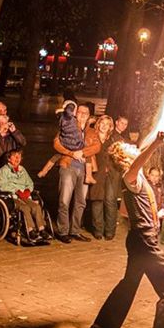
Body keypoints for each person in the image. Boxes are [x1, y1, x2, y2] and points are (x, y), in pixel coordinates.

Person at [89, 132, 164, 328]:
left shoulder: (133, 180)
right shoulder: (130, 175)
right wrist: (156, 144)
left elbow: (125, 211)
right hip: (145, 242)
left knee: (129, 284)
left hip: (137, 239)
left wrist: (154, 215)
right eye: (131, 150)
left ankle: (102, 327)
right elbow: (140, 161)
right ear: (126, 159)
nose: (135, 149)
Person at [53, 103, 100, 244]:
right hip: (68, 165)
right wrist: (71, 153)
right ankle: (63, 231)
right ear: (75, 113)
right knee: (64, 200)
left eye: (86, 112)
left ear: (89, 115)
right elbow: (56, 143)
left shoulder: (92, 131)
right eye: (80, 112)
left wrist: (82, 152)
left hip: (86, 169)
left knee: (81, 202)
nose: (83, 114)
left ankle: (75, 231)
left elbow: (97, 146)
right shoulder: (67, 125)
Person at [0, 149, 50, 241]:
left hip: (24, 195)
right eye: (15, 156)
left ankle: (41, 229)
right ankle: (30, 230)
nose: (17, 159)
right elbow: (1, 185)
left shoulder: (22, 170)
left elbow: (30, 182)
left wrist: (28, 190)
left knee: (36, 206)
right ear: (9, 158)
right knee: (25, 208)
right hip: (11, 197)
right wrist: (16, 191)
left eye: (19, 157)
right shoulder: (3, 171)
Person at [88, 115, 119, 241]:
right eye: (102, 123)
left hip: (111, 174)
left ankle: (110, 231)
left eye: (107, 124)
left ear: (110, 126)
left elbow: (119, 155)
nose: (104, 126)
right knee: (97, 200)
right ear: (98, 124)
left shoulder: (113, 139)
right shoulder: (92, 137)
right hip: (97, 173)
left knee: (110, 201)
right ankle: (98, 230)